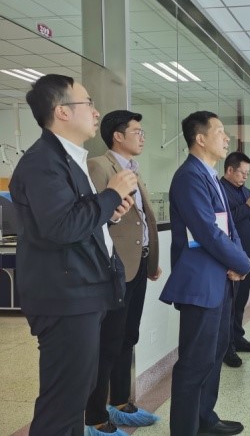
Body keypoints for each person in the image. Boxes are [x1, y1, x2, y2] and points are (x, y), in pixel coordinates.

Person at [9, 74, 137, 435]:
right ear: (62, 111)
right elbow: (62, 227)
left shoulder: (67, 158)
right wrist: (110, 194)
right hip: (65, 297)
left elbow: (76, 221)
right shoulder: (42, 162)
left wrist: (108, 213)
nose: (96, 112)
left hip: (83, 291)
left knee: (75, 396)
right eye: (88, 103)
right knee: (63, 404)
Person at [159, 111, 250, 436]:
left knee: (214, 354)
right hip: (200, 283)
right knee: (194, 362)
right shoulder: (189, 177)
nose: (227, 138)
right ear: (200, 138)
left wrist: (237, 260)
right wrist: (243, 263)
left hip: (219, 279)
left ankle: (204, 419)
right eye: (220, 131)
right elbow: (208, 232)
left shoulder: (209, 175)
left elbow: (228, 228)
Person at [85, 110, 162, 435]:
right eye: (137, 131)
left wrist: (150, 260)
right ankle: (94, 417)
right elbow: (94, 218)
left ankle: (120, 403)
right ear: (117, 136)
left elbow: (142, 219)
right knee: (107, 342)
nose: (142, 137)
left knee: (128, 336)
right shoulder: (99, 166)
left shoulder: (132, 169)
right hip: (113, 268)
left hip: (137, 264)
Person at [220, 151, 250, 368]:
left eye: (248, 174)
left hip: (247, 253)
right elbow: (226, 222)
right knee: (229, 304)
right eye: (243, 173)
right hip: (231, 255)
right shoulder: (220, 191)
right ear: (230, 170)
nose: (246, 177)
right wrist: (247, 206)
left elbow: (249, 221)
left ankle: (238, 338)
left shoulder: (245, 191)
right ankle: (227, 347)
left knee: (241, 301)